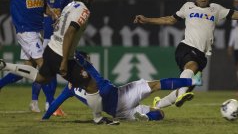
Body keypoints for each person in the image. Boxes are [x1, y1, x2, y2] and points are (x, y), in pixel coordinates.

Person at [133, 0, 238, 109]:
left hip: (202, 55)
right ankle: (182, 92)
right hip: (186, 48)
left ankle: (158, 104)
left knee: (188, 86)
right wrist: (147, 20)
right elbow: (169, 20)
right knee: (191, 68)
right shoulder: (188, 7)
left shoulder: (216, 9)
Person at [0, 0, 110, 124]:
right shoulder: (84, 10)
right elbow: (70, 32)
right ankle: (98, 118)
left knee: (41, 78)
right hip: (61, 55)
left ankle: (6, 66)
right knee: (91, 85)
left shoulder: (69, 5)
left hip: (51, 49)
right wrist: (65, 60)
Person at [41, 51, 202, 122]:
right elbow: (84, 64)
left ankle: (145, 117)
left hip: (117, 112)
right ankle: (192, 81)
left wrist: (45, 118)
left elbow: (55, 103)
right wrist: (78, 57)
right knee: (156, 85)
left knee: (159, 113)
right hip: (121, 95)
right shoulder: (86, 70)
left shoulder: (69, 89)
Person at [0, 0, 57, 114]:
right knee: (45, 67)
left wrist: (53, 14)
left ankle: (1, 83)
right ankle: (51, 105)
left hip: (36, 31)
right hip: (26, 31)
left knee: (27, 68)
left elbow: (44, 5)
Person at [30, 0, 69, 113]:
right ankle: (35, 101)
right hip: (38, 35)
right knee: (42, 70)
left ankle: (48, 103)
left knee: (48, 72)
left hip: (54, 38)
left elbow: (66, 16)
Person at [227, 0, 238, 96]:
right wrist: (230, 45)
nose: (237, 3)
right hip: (237, 45)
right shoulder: (233, 14)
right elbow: (234, 31)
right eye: (236, 2)